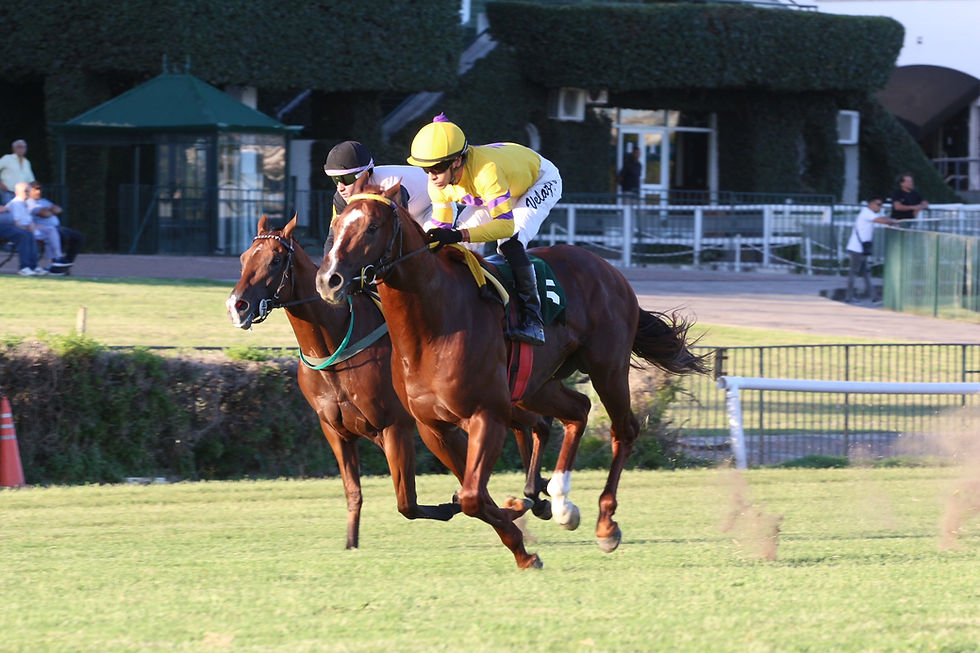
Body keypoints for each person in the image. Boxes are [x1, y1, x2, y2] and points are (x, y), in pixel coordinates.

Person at [406, 113, 563, 346]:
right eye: (426, 169)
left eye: (437, 167)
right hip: (497, 189)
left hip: (538, 181)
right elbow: (442, 226)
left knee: (510, 242)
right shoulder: (438, 181)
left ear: (457, 160)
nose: (432, 176)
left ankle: (533, 320)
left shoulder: (486, 172)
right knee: (457, 247)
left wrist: (458, 234)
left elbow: (505, 225)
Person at [323, 140, 432, 225]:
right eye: (336, 180)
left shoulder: (390, 185)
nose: (340, 188)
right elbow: (335, 237)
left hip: (432, 205)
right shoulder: (340, 198)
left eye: (346, 179)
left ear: (366, 175)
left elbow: (399, 233)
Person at [845, 196, 899, 303]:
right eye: (878, 204)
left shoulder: (870, 213)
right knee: (854, 273)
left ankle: (874, 297)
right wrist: (893, 220)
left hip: (861, 249)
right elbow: (880, 220)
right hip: (856, 249)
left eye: (881, 205)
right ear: (871, 204)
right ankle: (849, 297)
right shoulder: (866, 213)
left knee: (865, 273)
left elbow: (882, 218)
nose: (880, 207)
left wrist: (890, 220)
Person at [6, 182, 67, 274]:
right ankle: (27, 267)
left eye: (28, 191)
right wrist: (31, 229)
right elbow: (16, 224)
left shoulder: (24, 204)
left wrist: (35, 227)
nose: (27, 193)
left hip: (28, 229)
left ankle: (56, 259)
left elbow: (28, 221)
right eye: (25, 191)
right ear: (17, 192)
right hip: (18, 232)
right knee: (29, 235)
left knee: (50, 230)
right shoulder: (16, 204)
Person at [27, 181, 84, 270]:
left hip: (58, 228)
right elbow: (44, 214)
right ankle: (55, 263)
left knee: (79, 237)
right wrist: (50, 209)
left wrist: (48, 209)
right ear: (29, 191)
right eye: (35, 189)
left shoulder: (44, 201)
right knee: (61, 235)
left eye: (39, 189)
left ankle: (66, 264)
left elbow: (59, 209)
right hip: (44, 230)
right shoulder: (29, 202)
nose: (38, 191)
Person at [0, 140, 36, 205]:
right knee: (10, 213)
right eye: (19, 147)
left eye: (23, 147)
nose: (21, 149)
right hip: (8, 193)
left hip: (23, 195)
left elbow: (31, 180)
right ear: (14, 148)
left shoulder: (27, 162)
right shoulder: (7, 158)